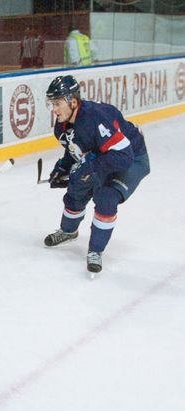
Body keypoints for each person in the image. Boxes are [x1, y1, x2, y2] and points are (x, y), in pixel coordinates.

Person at [44, 75, 150, 274]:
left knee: (106, 197)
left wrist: (89, 169)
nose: (54, 109)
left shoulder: (95, 118)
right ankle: (68, 231)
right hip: (106, 155)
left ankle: (96, 250)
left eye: (57, 103)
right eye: (52, 104)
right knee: (77, 185)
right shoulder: (63, 125)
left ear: (73, 102)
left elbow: (123, 157)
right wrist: (63, 168)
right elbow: (76, 149)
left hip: (132, 157)